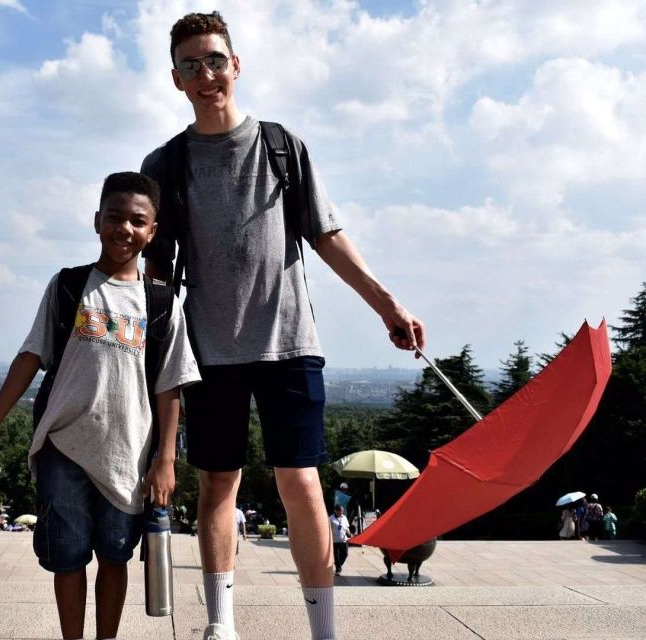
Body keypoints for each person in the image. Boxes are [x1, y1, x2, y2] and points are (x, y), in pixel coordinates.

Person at [141, 12, 426, 640]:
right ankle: (221, 624)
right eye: (190, 65)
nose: (205, 73)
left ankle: (323, 629)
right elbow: (156, 272)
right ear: (175, 79)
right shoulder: (165, 164)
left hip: (289, 341)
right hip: (209, 349)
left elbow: (325, 234)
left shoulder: (280, 146)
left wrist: (387, 305)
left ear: (235, 65)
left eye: (215, 59)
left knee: (301, 482)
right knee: (217, 482)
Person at [0, 172, 200, 640]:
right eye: (115, 217)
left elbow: (171, 386)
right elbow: (31, 355)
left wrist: (166, 459)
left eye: (138, 221)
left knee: (115, 554)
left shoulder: (161, 303)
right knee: (67, 558)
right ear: (96, 221)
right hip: (63, 445)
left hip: (128, 454)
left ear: (153, 231)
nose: (124, 229)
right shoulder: (70, 286)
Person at [328, 505, 351, 575]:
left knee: (345, 554)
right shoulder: (331, 518)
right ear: (336, 511)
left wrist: (349, 533)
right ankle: (338, 569)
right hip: (335, 541)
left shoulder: (344, 517)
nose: (342, 512)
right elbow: (328, 529)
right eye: (340, 511)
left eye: (342, 511)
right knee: (336, 556)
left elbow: (347, 527)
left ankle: (338, 565)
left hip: (344, 540)